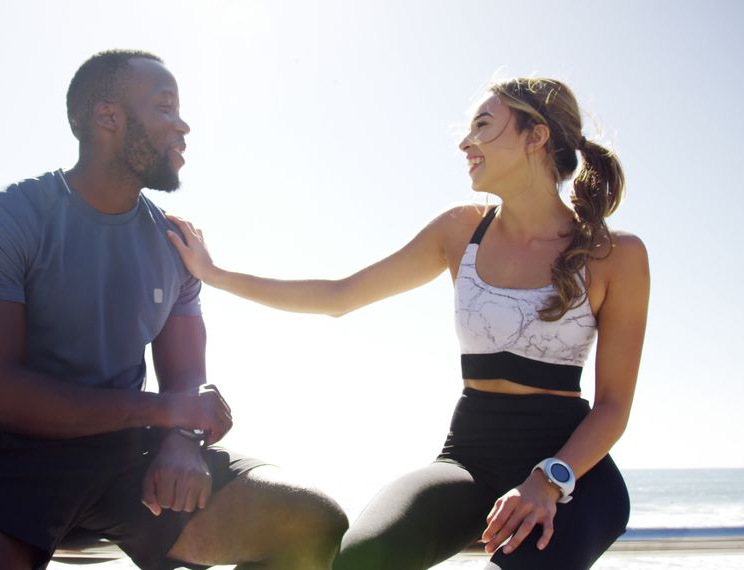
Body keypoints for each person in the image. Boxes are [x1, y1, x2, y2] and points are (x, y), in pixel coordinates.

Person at [167, 77, 649, 570]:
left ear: (537, 135)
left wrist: (547, 481)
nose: (465, 143)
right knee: (364, 557)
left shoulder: (616, 255)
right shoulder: (460, 231)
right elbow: (340, 296)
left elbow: (613, 406)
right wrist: (216, 275)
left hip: (573, 472)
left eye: (482, 126)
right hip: (469, 458)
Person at [0, 49, 348, 570]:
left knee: (310, 520)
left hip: (128, 462)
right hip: (7, 457)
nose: (183, 125)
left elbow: (184, 383)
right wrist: (168, 413)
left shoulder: (174, 243)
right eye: (165, 106)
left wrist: (179, 440)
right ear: (107, 117)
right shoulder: (3, 218)